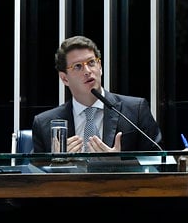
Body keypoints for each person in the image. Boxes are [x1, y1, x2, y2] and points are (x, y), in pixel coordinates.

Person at [31, 35, 162, 154]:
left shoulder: (135, 111)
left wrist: (118, 165)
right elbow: (34, 175)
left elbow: (159, 163)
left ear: (100, 67)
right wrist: (56, 164)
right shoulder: (44, 124)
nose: (87, 71)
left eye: (91, 62)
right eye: (77, 66)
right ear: (64, 78)